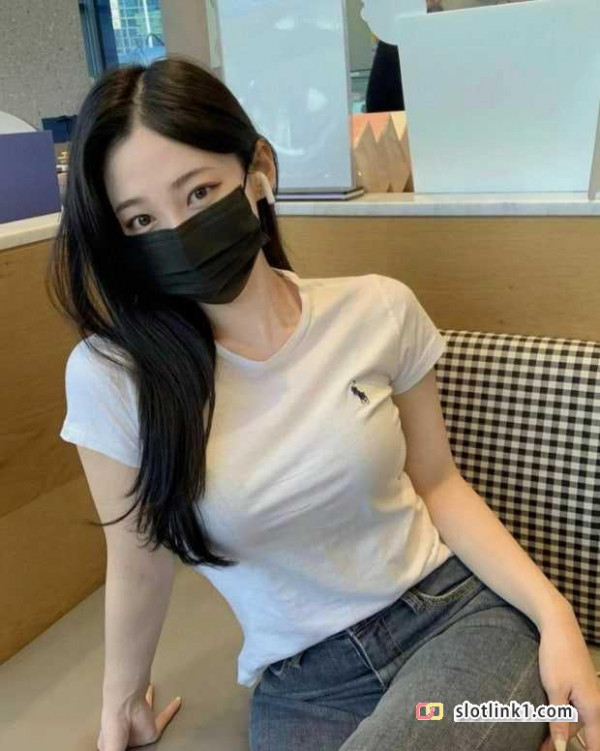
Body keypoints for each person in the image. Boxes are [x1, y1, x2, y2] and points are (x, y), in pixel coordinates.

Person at [48, 56, 600, 751]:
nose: (179, 231)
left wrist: (556, 618)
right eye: (140, 219)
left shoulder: (378, 309)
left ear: (258, 173)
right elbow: (138, 555)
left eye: (199, 192)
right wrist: (122, 702)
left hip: (457, 624)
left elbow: (439, 483)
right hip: (302, 685)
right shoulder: (113, 377)